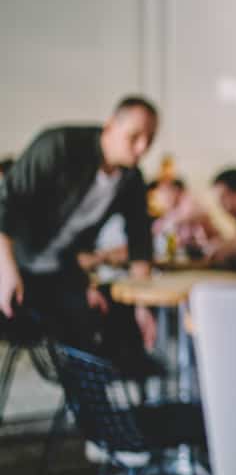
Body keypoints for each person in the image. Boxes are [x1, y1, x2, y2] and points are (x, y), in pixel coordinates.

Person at [0, 96, 161, 375]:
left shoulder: (131, 179)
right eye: (134, 136)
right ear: (110, 126)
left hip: (58, 270)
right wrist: (6, 269)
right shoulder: (58, 146)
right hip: (11, 262)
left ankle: (88, 411)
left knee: (97, 323)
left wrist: (142, 305)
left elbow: (140, 241)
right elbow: (7, 202)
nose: (142, 147)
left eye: (150, 139)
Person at [150, 178, 218, 258]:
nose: (159, 199)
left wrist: (172, 222)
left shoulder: (189, 201)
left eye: (162, 193)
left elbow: (194, 215)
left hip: (203, 250)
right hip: (185, 252)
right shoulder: (168, 213)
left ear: (175, 190)